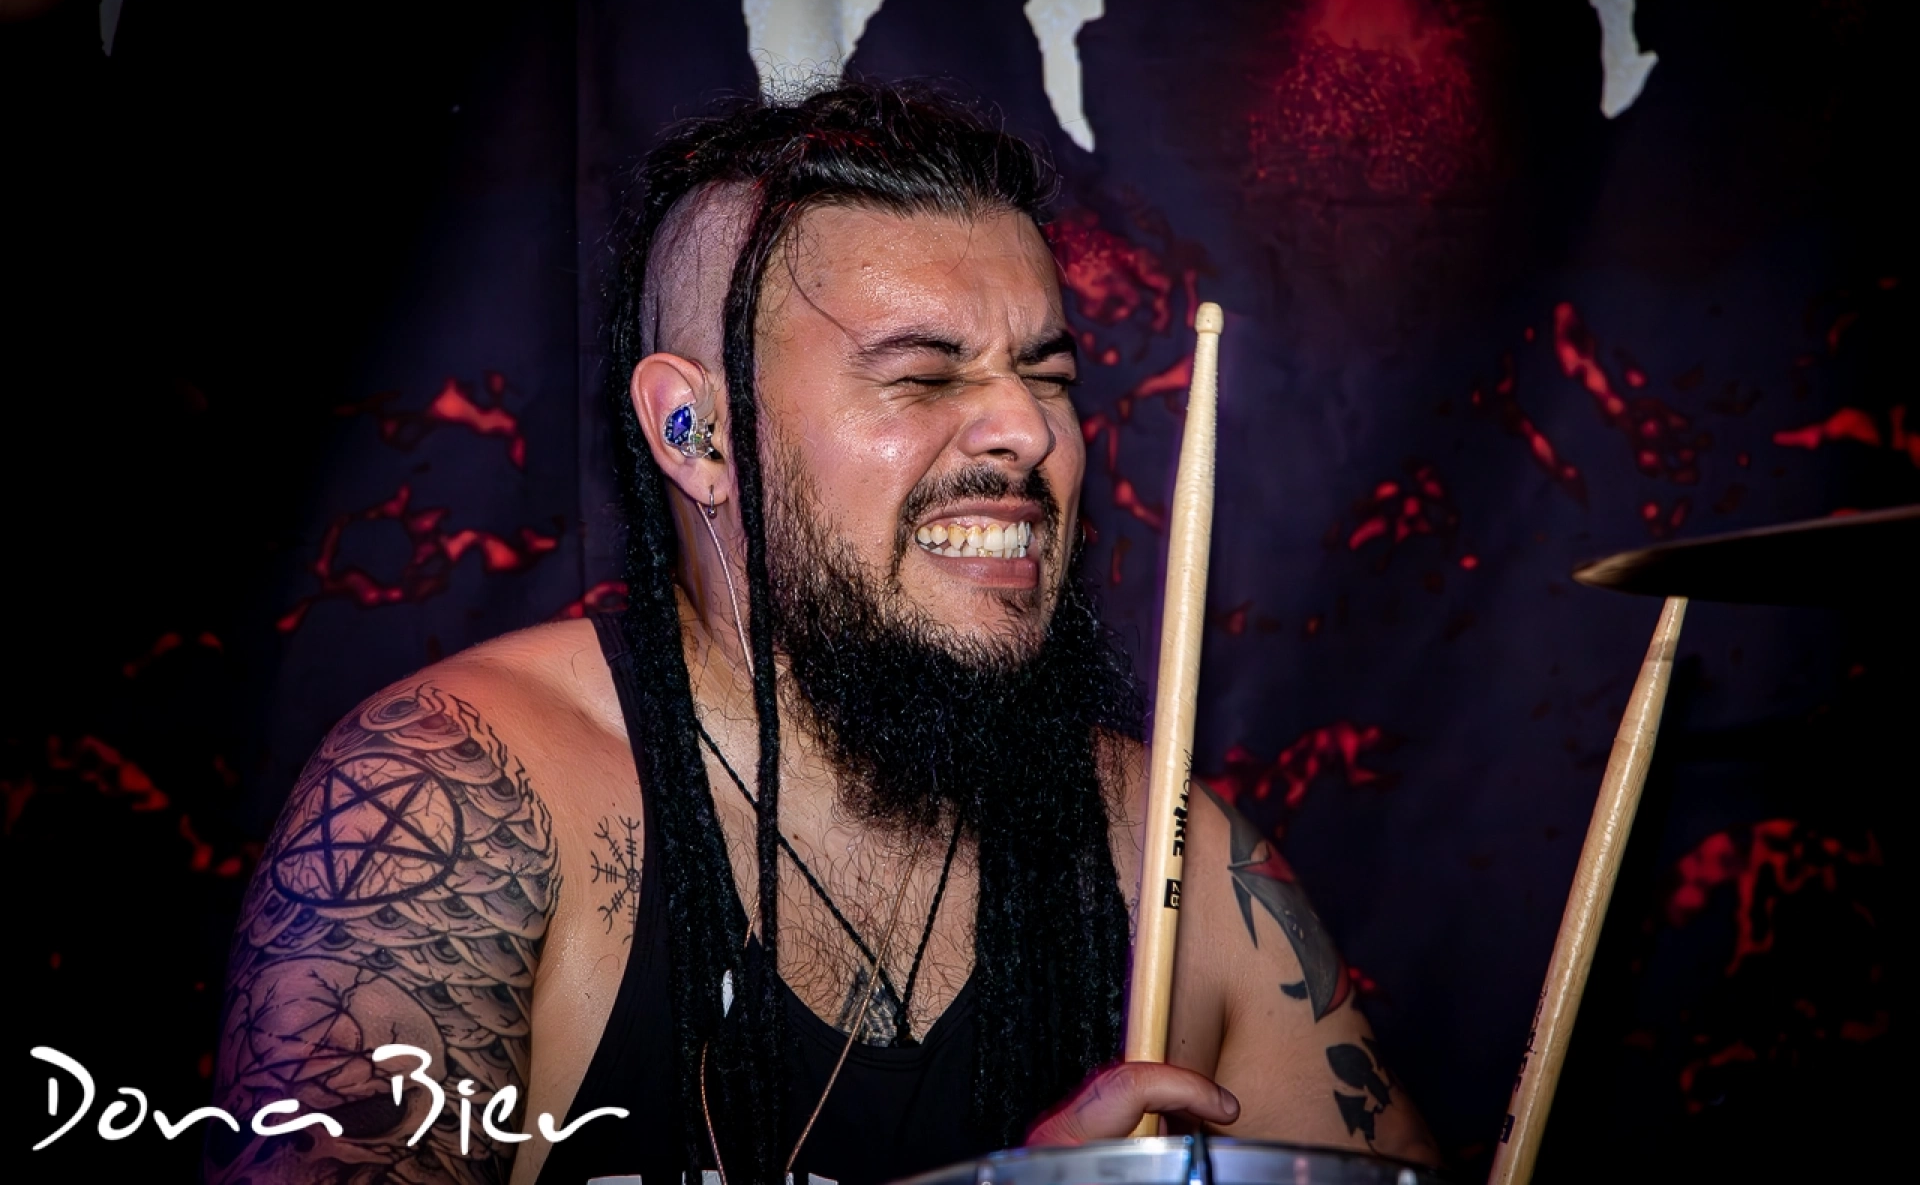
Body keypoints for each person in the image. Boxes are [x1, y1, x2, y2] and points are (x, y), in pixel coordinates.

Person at [208, 81, 1438, 1185]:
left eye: (1049, 375)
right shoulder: (454, 795)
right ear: (695, 433)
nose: (1027, 430)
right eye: (923, 374)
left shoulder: (1171, 851)